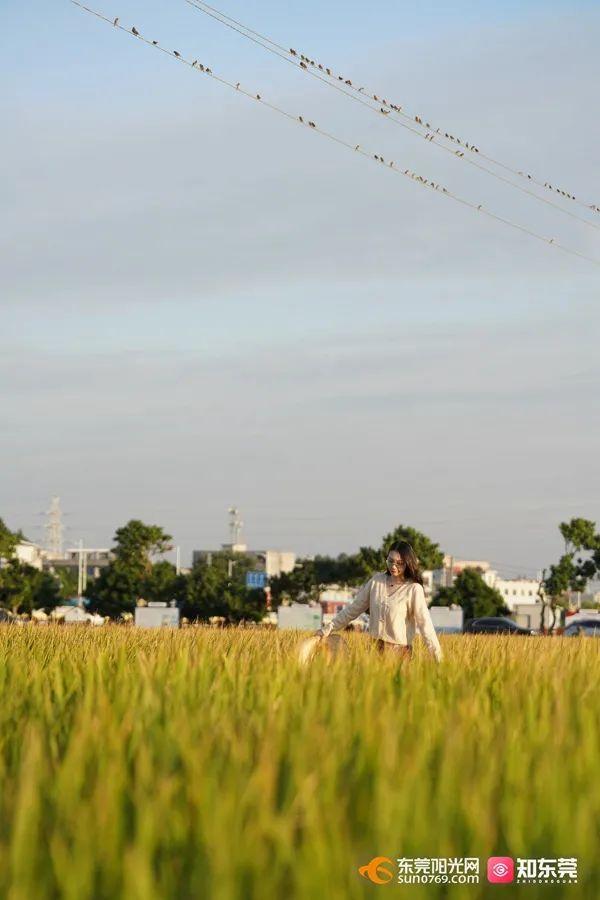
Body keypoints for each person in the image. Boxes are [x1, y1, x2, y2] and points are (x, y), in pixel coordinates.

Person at [315, 541, 443, 663]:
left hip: (400, 657)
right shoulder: (376, 582)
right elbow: (352, 610)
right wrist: (327, 629)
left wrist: (438, 660)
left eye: (399, 563)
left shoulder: (413, 589)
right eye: (390, 561)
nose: (393, 566)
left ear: (408, 563)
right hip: (374, 652)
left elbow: (425, 626)